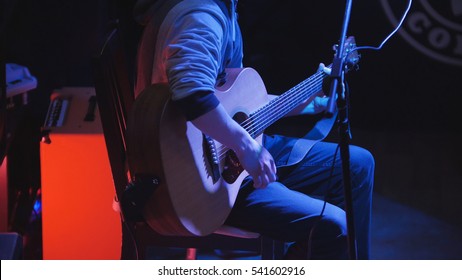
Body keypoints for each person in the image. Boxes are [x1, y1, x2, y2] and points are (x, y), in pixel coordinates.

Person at [132, 0, 374, 259]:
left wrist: (306, 104)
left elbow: (234, 102)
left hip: (225, 155)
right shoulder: (201, 15)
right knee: (335, 227)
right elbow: (193, 95)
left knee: (358, 164)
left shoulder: (223, 9)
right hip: (198, 186)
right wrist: (246, 147)